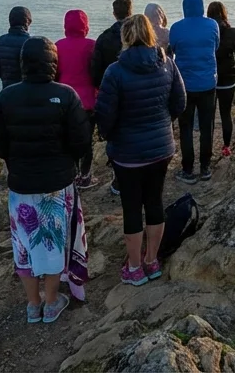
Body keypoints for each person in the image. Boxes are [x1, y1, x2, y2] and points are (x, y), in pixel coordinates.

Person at [0, 37, 92, 324]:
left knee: (24, 245)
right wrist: (65, 160)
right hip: (58, 184)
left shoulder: (6, 96)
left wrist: (15, 158)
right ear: (53, 63)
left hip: (21, 186)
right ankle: (51, 302)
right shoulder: (66, 95)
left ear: (23, 63)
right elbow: (81, 141)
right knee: (54, 245)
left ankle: (33, 305)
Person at [94, 15, 186, 287]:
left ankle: (134, 267)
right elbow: (179, 103)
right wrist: (161, 122)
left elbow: (105, 115)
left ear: (125, 36)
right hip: (161, 147)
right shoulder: (167, 64)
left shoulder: (115, 71)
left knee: (132, 207)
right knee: (155, 202)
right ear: (150, 34)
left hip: (128, 153)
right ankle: (151, 260)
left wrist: (110, 136)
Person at [170, 0, 220, 183]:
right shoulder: (212, 25)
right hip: (208, 83)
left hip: (185, 84)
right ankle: (205, 167)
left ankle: (188, 169)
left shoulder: (176, 28)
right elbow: (215, 46)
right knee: (207, 126)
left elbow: (173, 49)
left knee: (186, 127)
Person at [90, 0, 132, 195]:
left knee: (115, 135)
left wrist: (101, 88)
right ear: (130, 12)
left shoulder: (104, 37)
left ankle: (118, 179)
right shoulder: (138, 34)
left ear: (114, 13)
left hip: (112, 91)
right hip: (135, 91)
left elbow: (96, 70)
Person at [57, 9, 99, 189]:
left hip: (64, 101)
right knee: (87, 140)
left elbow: (55, 73)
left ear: (66, 26)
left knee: (67, 138)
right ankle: (86, 175)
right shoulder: (93, 45)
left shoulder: (57, 46)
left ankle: (71, 175)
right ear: (86, 26)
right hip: (89, 101)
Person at [207, 1, 235, 158]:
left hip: (210, 76)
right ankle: (226, 147)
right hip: (228, 76)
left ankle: (208, 147)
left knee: (209, 115)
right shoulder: (232, 32)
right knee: (226, 113)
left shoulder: (206, 32)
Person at [0, 6, 33, 88]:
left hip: (7, 90)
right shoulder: (31, 43)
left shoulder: (0, 41)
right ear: (27, 22)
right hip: (27, 92)